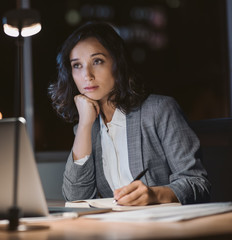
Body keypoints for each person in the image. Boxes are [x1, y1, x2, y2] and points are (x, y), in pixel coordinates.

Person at [48, 21, 210, 205]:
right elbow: (76, 198)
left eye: (97, 61)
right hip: (117, 228)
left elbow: (198, 184)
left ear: (118, 63)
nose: (87, 75)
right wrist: (84, 125)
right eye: (77, 65)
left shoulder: (159, 110)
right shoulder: (87, 128)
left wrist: (155, 195)